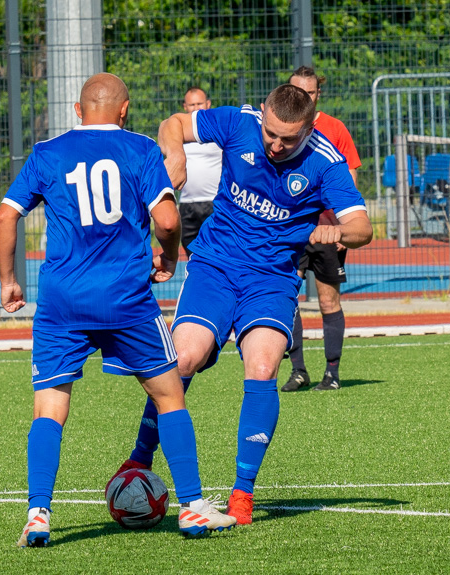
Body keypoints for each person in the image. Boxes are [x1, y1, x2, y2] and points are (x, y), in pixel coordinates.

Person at [112, 83, 372, 526]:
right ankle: (139, 458)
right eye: (271, 133)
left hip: (270, 279)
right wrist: (174, 155)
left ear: (309, 128)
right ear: (264, 118)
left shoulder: (326, 162)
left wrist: (337, 232)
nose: (275, 144)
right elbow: (173, 124)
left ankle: (242, 492)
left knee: (263, 367)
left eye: (288, 139)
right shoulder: (240, 122)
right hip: (215, 266)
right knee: (182, 359)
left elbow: (363, 227)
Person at [0, 73, 236, 547]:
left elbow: (7, 215)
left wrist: (8, 281)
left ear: (78, 111)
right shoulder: (140, 149)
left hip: (63, 300)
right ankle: (192, 508)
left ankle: (38, 515)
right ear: (124, 111)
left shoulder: (47, 152)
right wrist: (166, 255)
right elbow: (167, 220)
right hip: (126, 299)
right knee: (169, 397)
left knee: (49, 408)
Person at [281, 66, 363, 392]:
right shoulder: (279, 128)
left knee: (329, 301)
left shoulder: (334, 129)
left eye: (310, 93)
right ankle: (298, 370)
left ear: (318, 95)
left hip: (328, 232)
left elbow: (351, 177)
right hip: (292, 230)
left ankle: (332, 373)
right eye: (298, 92)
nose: (304, 97)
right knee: (287, 297)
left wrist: (345, 228)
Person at [179, 87, 223, 256]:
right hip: (187, 204)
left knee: (216, 255)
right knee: (192, 256)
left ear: (208, 104)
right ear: (185, 106)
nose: (196, 108)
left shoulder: (219, 130)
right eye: (192, 104)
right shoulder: (178, 133)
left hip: (214, 203)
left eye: (200, 103)